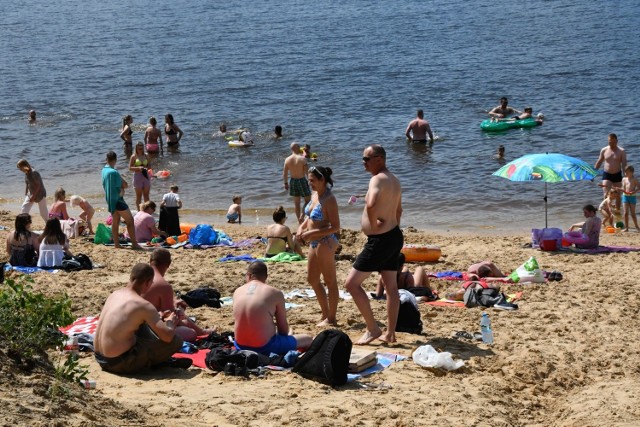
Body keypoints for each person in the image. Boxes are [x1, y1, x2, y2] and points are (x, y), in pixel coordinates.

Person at [345, 145, 403, 344]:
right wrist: (389, 226)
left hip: (381, 240)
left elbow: (371, 204)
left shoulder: (377, 179)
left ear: (379, 159)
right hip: (394, 236)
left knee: (351, 284)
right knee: (391, 287)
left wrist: (375, 223)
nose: (363, 162)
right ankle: (390, 333)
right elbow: (399, 211)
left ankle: (373, 329)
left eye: (366, 158)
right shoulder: (394, 180)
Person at [94, 263, 189, 374]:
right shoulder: (143, 305)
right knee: (176, 340)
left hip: (100, 358)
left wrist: (159, 317)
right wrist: (170, 323)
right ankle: (155, 362)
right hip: (118, 363)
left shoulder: (115, 294)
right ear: (148, 283)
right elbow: (168, 337)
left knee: (143, 323)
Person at [233, 261, 313, 355]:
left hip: (240, 346)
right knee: (308, 339)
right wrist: (287, 335)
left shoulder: (237, 291)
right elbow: (283, 329)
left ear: (248, 275)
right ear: (266, 277)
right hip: (265, 347)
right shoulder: (275, 293)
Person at [295, 166, 341, 326]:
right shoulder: (315, 195)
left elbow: (335, 227)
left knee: (330, 281)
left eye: (313, 181)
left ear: (322, 180)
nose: (310, 184)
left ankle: (332, 318)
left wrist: (310, 234)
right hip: (313, 241)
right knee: (312, 279)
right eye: (309, 181)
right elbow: (309, 218)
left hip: (325, 241)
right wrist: (301, 229)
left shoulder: (330, 199)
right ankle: (325, 313)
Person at [142, 249, 213, 342]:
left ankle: (201, 331)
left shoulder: (141, 277)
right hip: (148, 331)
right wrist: (185, 320)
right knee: (191, 333)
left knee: (182, 318)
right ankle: (202, 332)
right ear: (168, 264)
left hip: (135, 327)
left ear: (150, 261)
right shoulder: (163, 285)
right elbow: (172, 318)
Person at [102, 151, 141, 249]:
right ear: (115, 160)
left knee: (116, 220)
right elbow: (124, 185)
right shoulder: (114, 172)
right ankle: (134, 244)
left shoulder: (104, 170)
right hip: (118, 200)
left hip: (109, 199)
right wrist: (123, 183)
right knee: (130, 220)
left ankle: (117, 244)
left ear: (106, 159)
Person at [283, 143, 311, 223]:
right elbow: (307, 172)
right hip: (301, 180)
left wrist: (285, 183)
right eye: (299, 146)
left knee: (296, 203)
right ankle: (302, 215)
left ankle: (299, 220)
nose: (300, 148)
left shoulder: (287, 159)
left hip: (293, 181)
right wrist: (310, 180)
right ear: (297, 148)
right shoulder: (302, 159)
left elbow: (285, 173)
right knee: (308, 201)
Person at [17, 159, 48, 223]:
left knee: (43, 213)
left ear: (24, 166)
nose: (20, 170)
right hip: (30, 193)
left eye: (20, 168)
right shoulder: (26, 172)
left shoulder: (34, 173)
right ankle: (24, 224)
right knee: (24, 207)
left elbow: (38, 186)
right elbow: (27, 183)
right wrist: (26, 192)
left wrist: (33, 196)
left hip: (40, 194)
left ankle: (49, 225)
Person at [129, 141, 151, 211]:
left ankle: (147, 211)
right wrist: (138, 168)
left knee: (146, 196)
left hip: (146, 176)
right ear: (136, 148)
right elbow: (130, 168)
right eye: (139, 149)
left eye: (142, 148)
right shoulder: (133, 156)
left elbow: (150, 165)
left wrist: (147, 168)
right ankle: (139, 211)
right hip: (137, 177)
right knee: (139, 196)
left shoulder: (146, 155)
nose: (141, 150)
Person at [621, 165, 640, 231]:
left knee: (633, 213)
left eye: (627, 172)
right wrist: (620, 189)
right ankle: (626, 228)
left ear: (632, 172)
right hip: (625, 196)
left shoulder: (634, 179)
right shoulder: (624, 179)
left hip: (632, 197)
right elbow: (623, 188)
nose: (625, 174)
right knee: (625, 213)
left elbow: (639, 188)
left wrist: (633, 192)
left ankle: (637, 227)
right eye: (625, 172)